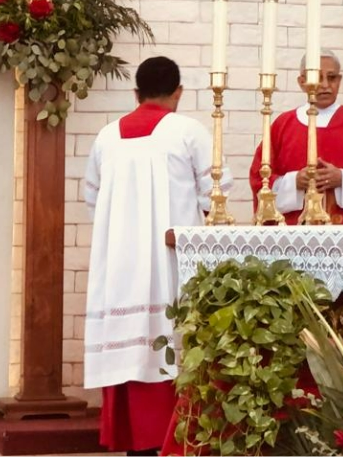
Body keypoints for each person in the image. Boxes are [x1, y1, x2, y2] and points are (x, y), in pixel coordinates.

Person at [83, 56, 232, 455]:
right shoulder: (189, 131)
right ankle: (174, 442)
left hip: (118, 265)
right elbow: (216, 196)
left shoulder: (106, 136)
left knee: (129, 344)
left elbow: (91, 199)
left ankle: (135, 444)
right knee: (170, 339)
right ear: (179, 93)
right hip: (169, 262)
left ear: (136, 92)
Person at [250, 50, 343, 225]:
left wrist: (342, 179)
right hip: (293, 233)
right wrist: (294, 181)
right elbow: (260, 180)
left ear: (340, 81)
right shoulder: (282, 126)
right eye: (317, 77)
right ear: (302, 82)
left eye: (332, 77)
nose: (325, 85)